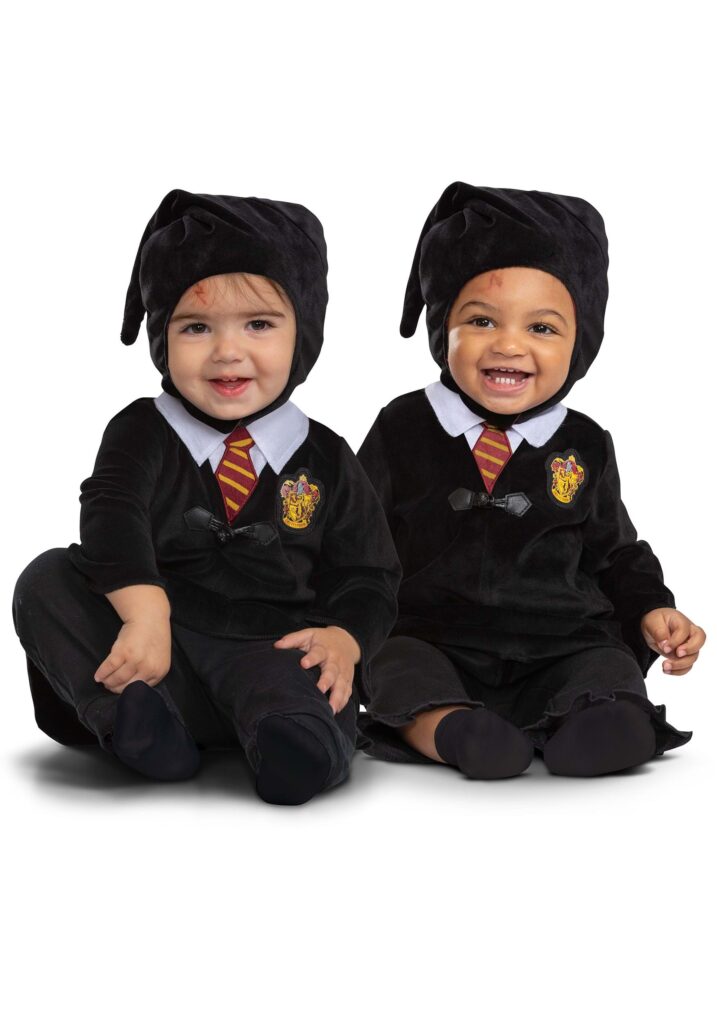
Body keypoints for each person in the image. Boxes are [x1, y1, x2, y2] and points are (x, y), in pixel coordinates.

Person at [13, 189, 400, 805]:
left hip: (269, 649)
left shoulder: (326, 455)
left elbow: (369, 572)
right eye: (196, 327)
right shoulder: (141, 430)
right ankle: (137, 723)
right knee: (47, 578)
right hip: (156, 651)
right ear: (162, 337)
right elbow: (112, 515)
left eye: (259, 325)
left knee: (305, 682)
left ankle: (292, 743)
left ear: (304, 335)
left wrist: (345, 639)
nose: (227, 352)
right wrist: (144, 612)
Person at [356, 183, 704, 779]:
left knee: (607, 666)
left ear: (580, 343)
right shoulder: (403, 425)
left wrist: (652, 608)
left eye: (542, 328)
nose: (509, 344)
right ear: (443, 328)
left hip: (560, 639)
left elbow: (615, 551)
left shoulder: (585, 442)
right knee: (393, 663)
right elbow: (356, 534)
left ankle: (603, 724)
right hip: (433, 634)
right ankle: (452, 731)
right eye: (481, 320)